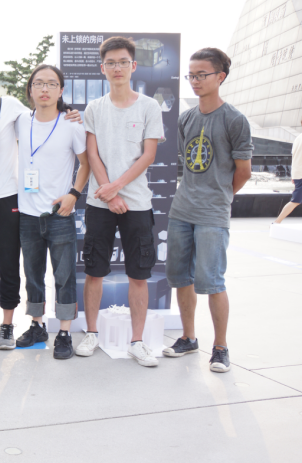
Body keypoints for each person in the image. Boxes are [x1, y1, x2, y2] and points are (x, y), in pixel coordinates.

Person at [0, 52, 79, 349]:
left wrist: (69, 112)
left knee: (9, 263)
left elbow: (44, 113)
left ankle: (8, 324)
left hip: (7, 198)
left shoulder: (11, 107)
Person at [77, 37, 164, 367]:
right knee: (95, 270)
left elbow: (148, 155)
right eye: (111, 63)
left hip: (137, 203)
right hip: (100, 203)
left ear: (133, 66)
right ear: (103, 68)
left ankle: (137, 342)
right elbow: (92, 154)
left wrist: (118, 187)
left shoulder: (149, 107)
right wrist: (109, 192)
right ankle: (92, 333)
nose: (117, 68)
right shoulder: (94, 108)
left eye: (123, 62)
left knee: (139, 274)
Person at [163, 48, 252, 372]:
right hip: (181, 210)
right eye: (191, 75)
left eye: (202, 74)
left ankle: (220, 347)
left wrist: (220, 197)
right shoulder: (186, 118)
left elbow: (244, 172)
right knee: (180, 278)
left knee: (212, 281)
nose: (195, 81)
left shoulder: (235, 120)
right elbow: (187, 164)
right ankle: (188, 338)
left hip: (212, 214)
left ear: (220, 76)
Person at [13, 65, 90, 359]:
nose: (44, 89)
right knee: (32, 274)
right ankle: (37, 325)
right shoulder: (21, 120)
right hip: (27, 214)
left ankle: (65, 333)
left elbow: (85, 164)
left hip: (60, 213)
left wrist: (73, 194)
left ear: (61, 90)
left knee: (64, 276)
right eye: (38, 83)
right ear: (30, 89)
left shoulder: (72, 124)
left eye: (51, 84)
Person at [275, 114, 302, 223]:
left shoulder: (298, 138)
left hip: (298, 174)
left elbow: (294, 157)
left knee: (296, 200)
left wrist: (293, 175)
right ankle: (277, 222)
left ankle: (277, 222)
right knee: (295, 200)